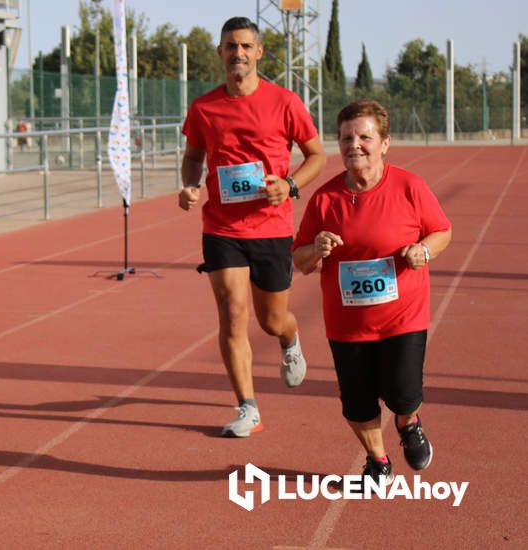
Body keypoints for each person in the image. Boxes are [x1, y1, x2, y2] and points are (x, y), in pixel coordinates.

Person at [179, 16, 326, 437]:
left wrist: (291, 184)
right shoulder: (204, 107)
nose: (238, 53)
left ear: (258, 52)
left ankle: (290, 337)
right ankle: (248, 408)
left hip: (271, 227)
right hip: (222, 229)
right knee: (231, 313)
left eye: (245, 46)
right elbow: (193, 157)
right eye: (230, 46)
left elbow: (317, 155)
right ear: (220, 52)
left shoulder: (284, 102)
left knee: (271, 319)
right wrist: (190, 185)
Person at [292, 99, 452, 484]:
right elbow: (299, 259)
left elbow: (442, 230)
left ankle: (408, 421)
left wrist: (423, 250)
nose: (355, 145)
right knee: (357, 405)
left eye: (365, 137)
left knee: (403, 393)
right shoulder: (325, 199)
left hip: (402, 317)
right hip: (348, 325)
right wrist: (318, 248)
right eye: (346, 138)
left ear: (385, 143)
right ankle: (378, 460)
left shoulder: (410, 186)